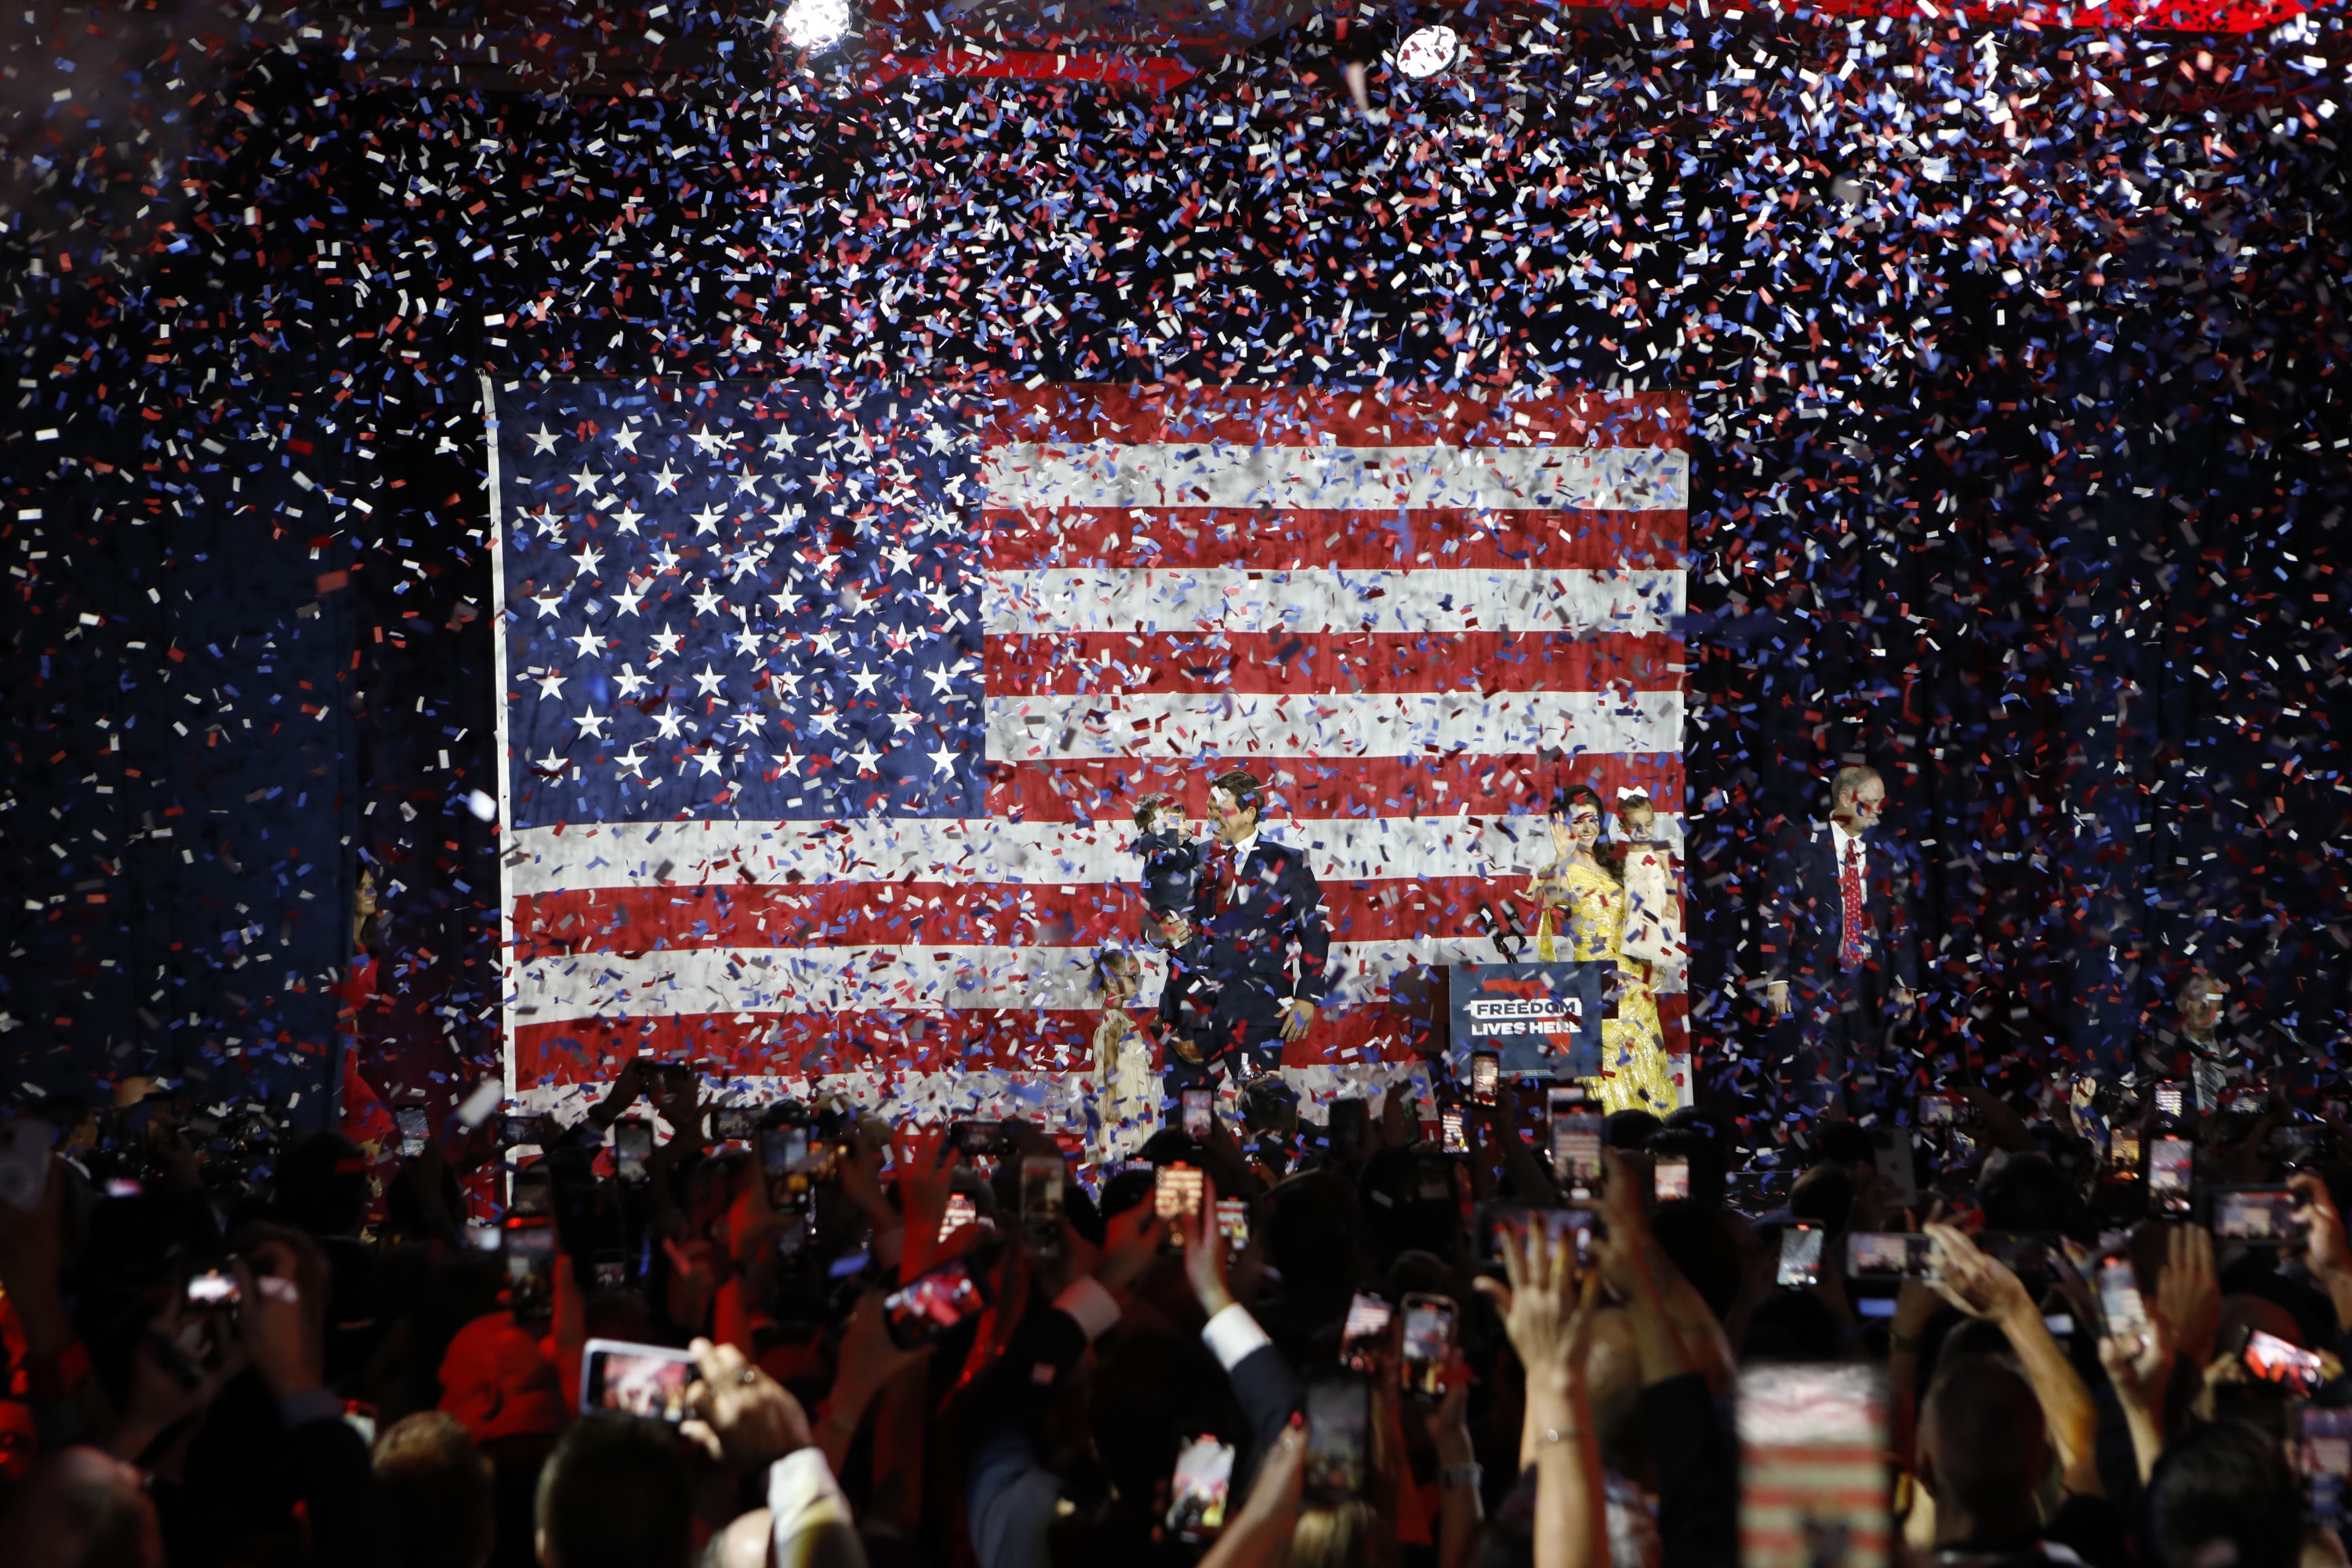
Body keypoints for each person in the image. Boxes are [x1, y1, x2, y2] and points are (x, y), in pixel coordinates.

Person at [1760, 764, 1920, 1120]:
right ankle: (1829, 1158)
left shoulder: (1888, 847)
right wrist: (1777, 977)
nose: (1878, 811)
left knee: (1867, 1084)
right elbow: (1777, 913)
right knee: (1822, 1085)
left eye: (1881, 803)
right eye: (1871, 803)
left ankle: (1865, 1164)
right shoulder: (1799, 841)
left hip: (1870, 983)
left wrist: (1906, 982)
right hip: (1815, 980)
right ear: (1846, 799)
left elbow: (1901, 920)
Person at [1154, 770, 1332, 1087]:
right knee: (1193, 1120)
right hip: (1192, 1014)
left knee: (1258, 1112)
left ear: (1250, 813)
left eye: (1220, 807)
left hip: (1258, 1013)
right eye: (1209, 807)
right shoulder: (1192, 856)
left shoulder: (1288, 862)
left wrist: (1307, 997)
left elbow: (1315, 933)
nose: (1211, 815)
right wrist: (1157, 934)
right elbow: (1159, 916)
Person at [1529, 785, 1679, 1116]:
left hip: (1635, 987)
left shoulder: (1614, 862)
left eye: (1593, 819)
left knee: (1646, 1075)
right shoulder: (1561, 869)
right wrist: (1561, 856)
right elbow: (1548, 900)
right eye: (1578, 820)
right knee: (1607, 1078)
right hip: (1596, 989)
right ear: (1564, 825)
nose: (1586, 828)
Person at [1091, 949, 1163, 1164]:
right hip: (1122, 1095)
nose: (1137, 985)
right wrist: (1112, 1097)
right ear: (1111, 981)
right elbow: (1109, 1054)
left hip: (1132, 1092)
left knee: (1132, 1152)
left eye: (1138, 978)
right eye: (1133, 978)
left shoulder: (1120, 1015)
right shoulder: (1114, 1016)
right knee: (1122, 1148)